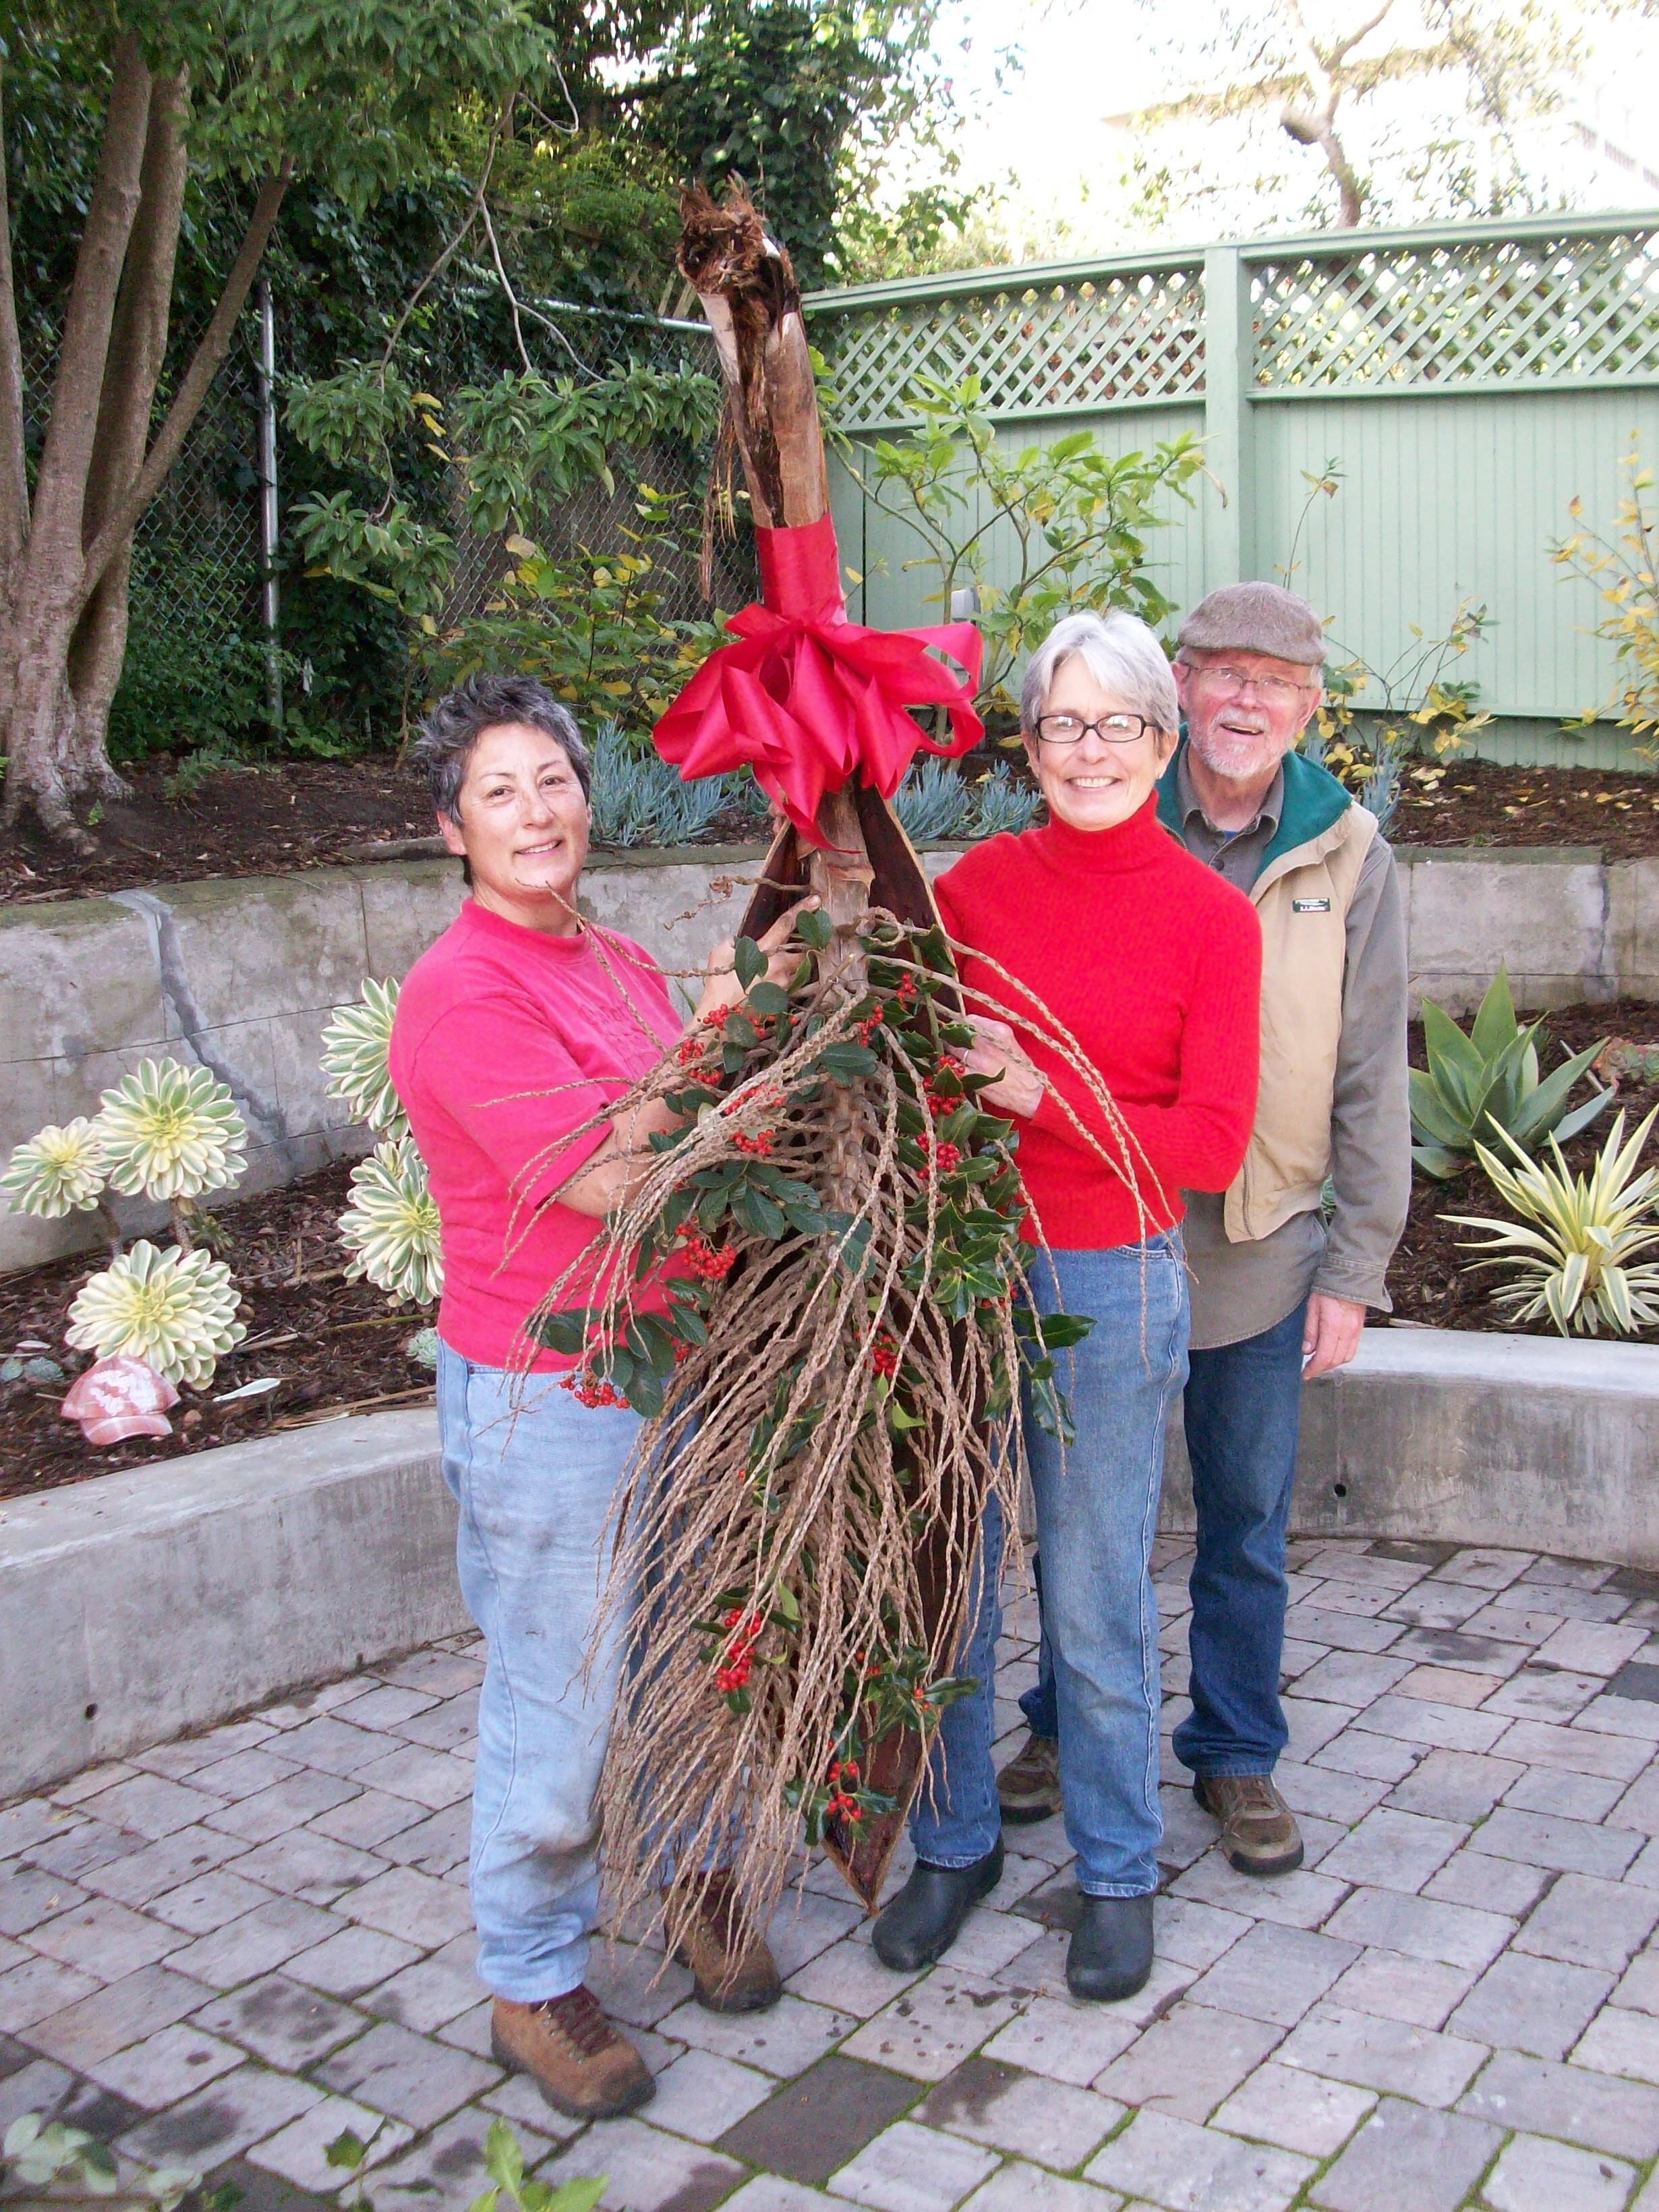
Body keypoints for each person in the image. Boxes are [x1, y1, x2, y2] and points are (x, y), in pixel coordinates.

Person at [389, 675, 805, 2121]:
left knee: (689, 1646)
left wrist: (735, 1044)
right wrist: (724, 1048)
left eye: (552, 780)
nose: (536, 811)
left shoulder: (618, 962)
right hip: (549, 1391)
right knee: (559, 1687)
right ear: (455, 830)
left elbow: (708, 1133)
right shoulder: (461, 992)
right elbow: (608, 1180)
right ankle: (533, 1972)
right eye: (498, 792)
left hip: (675, 1363)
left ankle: (690, 1872)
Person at [869, 610, 1262, 2002]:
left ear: (1163, 742)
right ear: (1026, 746)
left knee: (1094, 1599)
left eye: (1118, 724)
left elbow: (1211, 1144)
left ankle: (1112, 1864)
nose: (1088, 749)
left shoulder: (1215, 919)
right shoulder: (973, 890)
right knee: (952, 1582)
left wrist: (1039, 1095)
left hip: (1114, 1276)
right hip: (970, 1268)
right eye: (1060, 724)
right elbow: (908, 1073)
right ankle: (957, 1838)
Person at [996, 581, 1411, 1883]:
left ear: (1307, 708)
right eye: (1222, 671)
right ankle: (1070, 1724)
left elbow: (1368, 1075)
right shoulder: (1110, 792)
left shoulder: (1348, 852)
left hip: (1251, 1238)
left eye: (1274, 682)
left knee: (1240, 1511)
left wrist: (1356, 1266)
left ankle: (1234, 1749)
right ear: (1178, 693)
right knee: (1083, 1511)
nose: (1245, 699)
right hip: (1086, 1232)